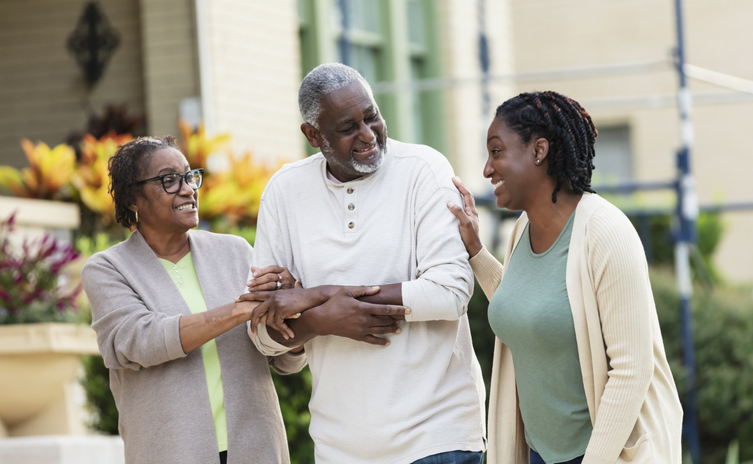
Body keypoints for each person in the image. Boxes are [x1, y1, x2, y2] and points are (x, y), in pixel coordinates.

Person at [240, 63, 486, 464]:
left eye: (372, 116)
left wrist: (318, 297)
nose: (368, 135)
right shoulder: (284, 192)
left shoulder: (424, 170)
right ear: (313, 135)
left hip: (437, 439)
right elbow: (265, 336)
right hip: (340, 449)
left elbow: (451, 292)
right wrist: (321, 319)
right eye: (348, 127)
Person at [447, 91, 683, 464]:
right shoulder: (522, 230)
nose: (487, 169)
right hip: (540, 453)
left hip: (602, 455)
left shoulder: (606, 233)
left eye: (496, 151)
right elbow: (526, 307)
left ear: (538, 151)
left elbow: (631, 370)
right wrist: (476, 252)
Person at [81, 136, 305, 464]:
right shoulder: (108, 268)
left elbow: (282, 359)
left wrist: (288, 312)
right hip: (170, 452)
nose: (188, 189)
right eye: (169, 181)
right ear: (133, 199)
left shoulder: (235, 252)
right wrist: (239, 310)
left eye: (189, 176)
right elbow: (140, 340)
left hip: (257, 448)